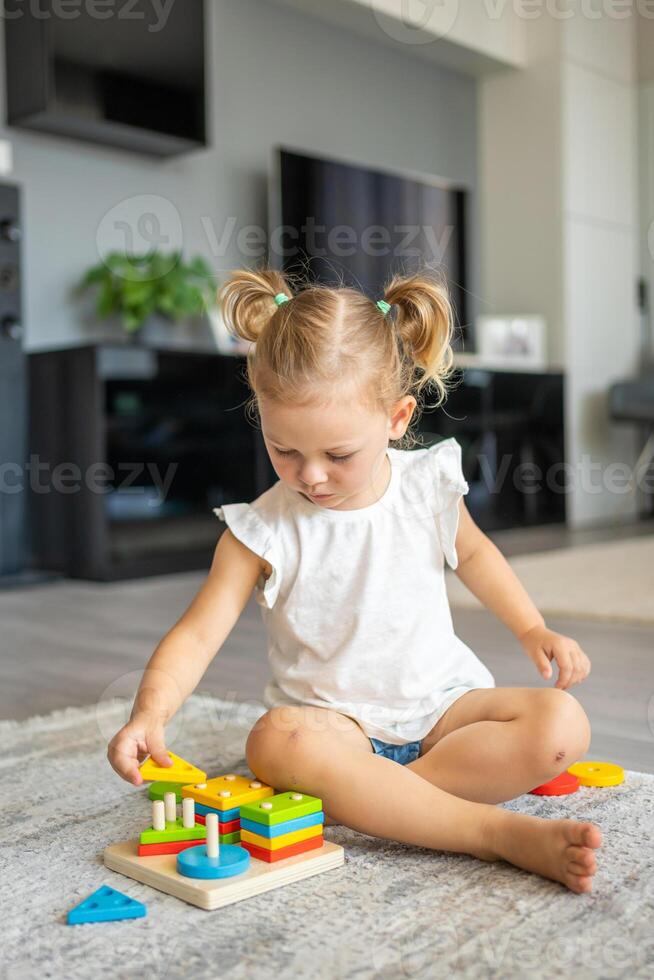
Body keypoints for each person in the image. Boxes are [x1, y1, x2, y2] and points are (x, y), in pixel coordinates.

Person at [108, 267, 602, 894]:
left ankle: (378, 803)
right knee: (276, 740)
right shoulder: (258, 531)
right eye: (284, 449)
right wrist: (150, 711)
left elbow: (475, 557)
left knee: (563, 724)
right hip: (333, 728)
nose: (310, 475)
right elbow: (198, 634)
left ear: (397, 418)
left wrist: (532, 627)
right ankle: (489, 831)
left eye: (337, 454)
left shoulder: (428, 486)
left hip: (443, 711)